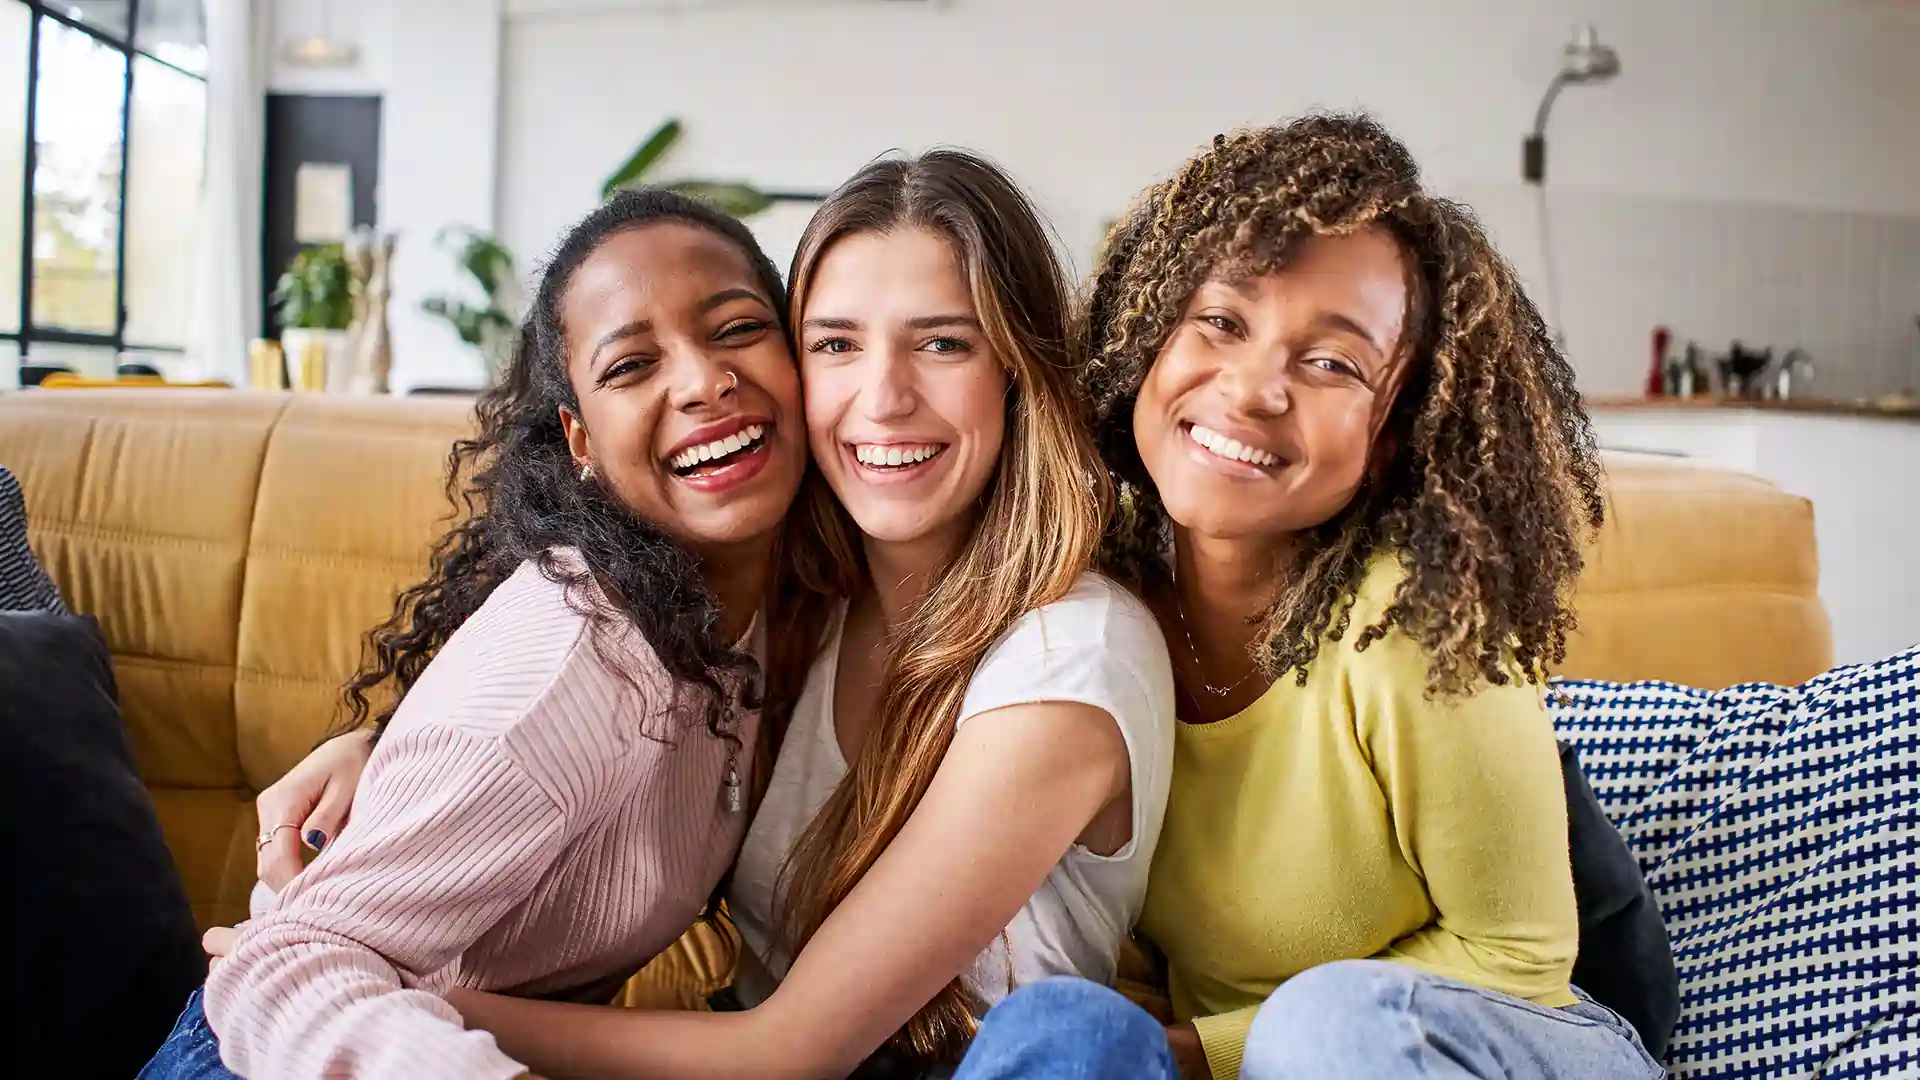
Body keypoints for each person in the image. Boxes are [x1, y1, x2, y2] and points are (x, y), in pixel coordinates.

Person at [241, 150, 1177, 1080]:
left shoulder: (1070, 651)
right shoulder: (788, 607)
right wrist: (393, 747)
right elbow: (538, 709)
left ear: (1018, 370)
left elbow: (787, 1049)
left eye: (943, 343)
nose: (884, 398)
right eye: (837, 343)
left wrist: (385, 990)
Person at [949, 114, 1667, 1080]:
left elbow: (1520, 958)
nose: (1252, 390)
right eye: (1221, 322)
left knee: (1326, 1025)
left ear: (1397, 432)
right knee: (1063, 1028)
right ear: (1147, 336)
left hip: (1508, 1035)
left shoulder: (1411, 625)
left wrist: (1208, 1050)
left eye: (1332, 362)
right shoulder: (1087, 604)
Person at [138, 187, 811, 1080]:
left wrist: (385, 744)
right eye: (630, 366)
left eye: (734, 329)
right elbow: (280, 968)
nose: (702, 380)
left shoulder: (765, 601)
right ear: (581, 441)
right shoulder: (582, 663)